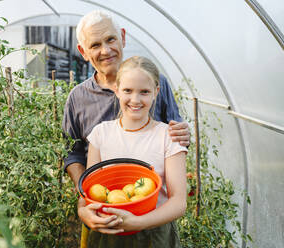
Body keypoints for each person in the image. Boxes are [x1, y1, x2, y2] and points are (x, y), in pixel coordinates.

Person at [62, 9, 190, 236]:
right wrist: (85, 199)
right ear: (83, 51)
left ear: (122, 36)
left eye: (110, 39)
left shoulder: (157, 83)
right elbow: (72, 153)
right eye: (95, 45)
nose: (105, 50)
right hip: (103, 214)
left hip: (151, 216)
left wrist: (183, 135)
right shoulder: (78, 98)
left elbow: (175, 136)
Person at [83, 56, 187, 247]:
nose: (135, 100)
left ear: (156, 92)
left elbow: (179, 202)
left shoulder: (168, 136)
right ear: (116, 90)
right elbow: (89, 192)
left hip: (155, 233)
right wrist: (84, 212)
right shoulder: (100, 134)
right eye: (128, 91)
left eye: (144, 92)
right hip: (109, 232)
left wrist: (138, 223)